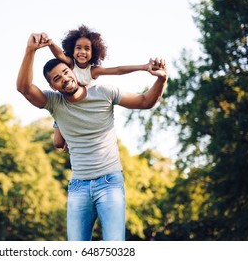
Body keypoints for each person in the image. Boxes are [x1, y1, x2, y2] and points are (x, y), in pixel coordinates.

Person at [16, 32, 168, 241]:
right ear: (53, 87)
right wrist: (30, 50)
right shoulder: (54, 103)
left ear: (73, 71)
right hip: (79, 186)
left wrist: (162, 79)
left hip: (110, 182)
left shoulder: (104, 92)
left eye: (65, 72)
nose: (64, 79)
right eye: (57, 79)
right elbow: (24, 88)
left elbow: (144, 101)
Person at [47, 25, 156, 150]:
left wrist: (143, 67)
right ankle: (68, 133)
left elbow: (118, 70)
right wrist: (50, 43)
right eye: (78, 48)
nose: (82, 52)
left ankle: (74, 138)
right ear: (72, 50)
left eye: (87, 49)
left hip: (82, 109)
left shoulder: (93, 71)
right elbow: (59, 55)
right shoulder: (70, 65)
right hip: (65, 107)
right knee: (58, 143)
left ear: (93, 53)